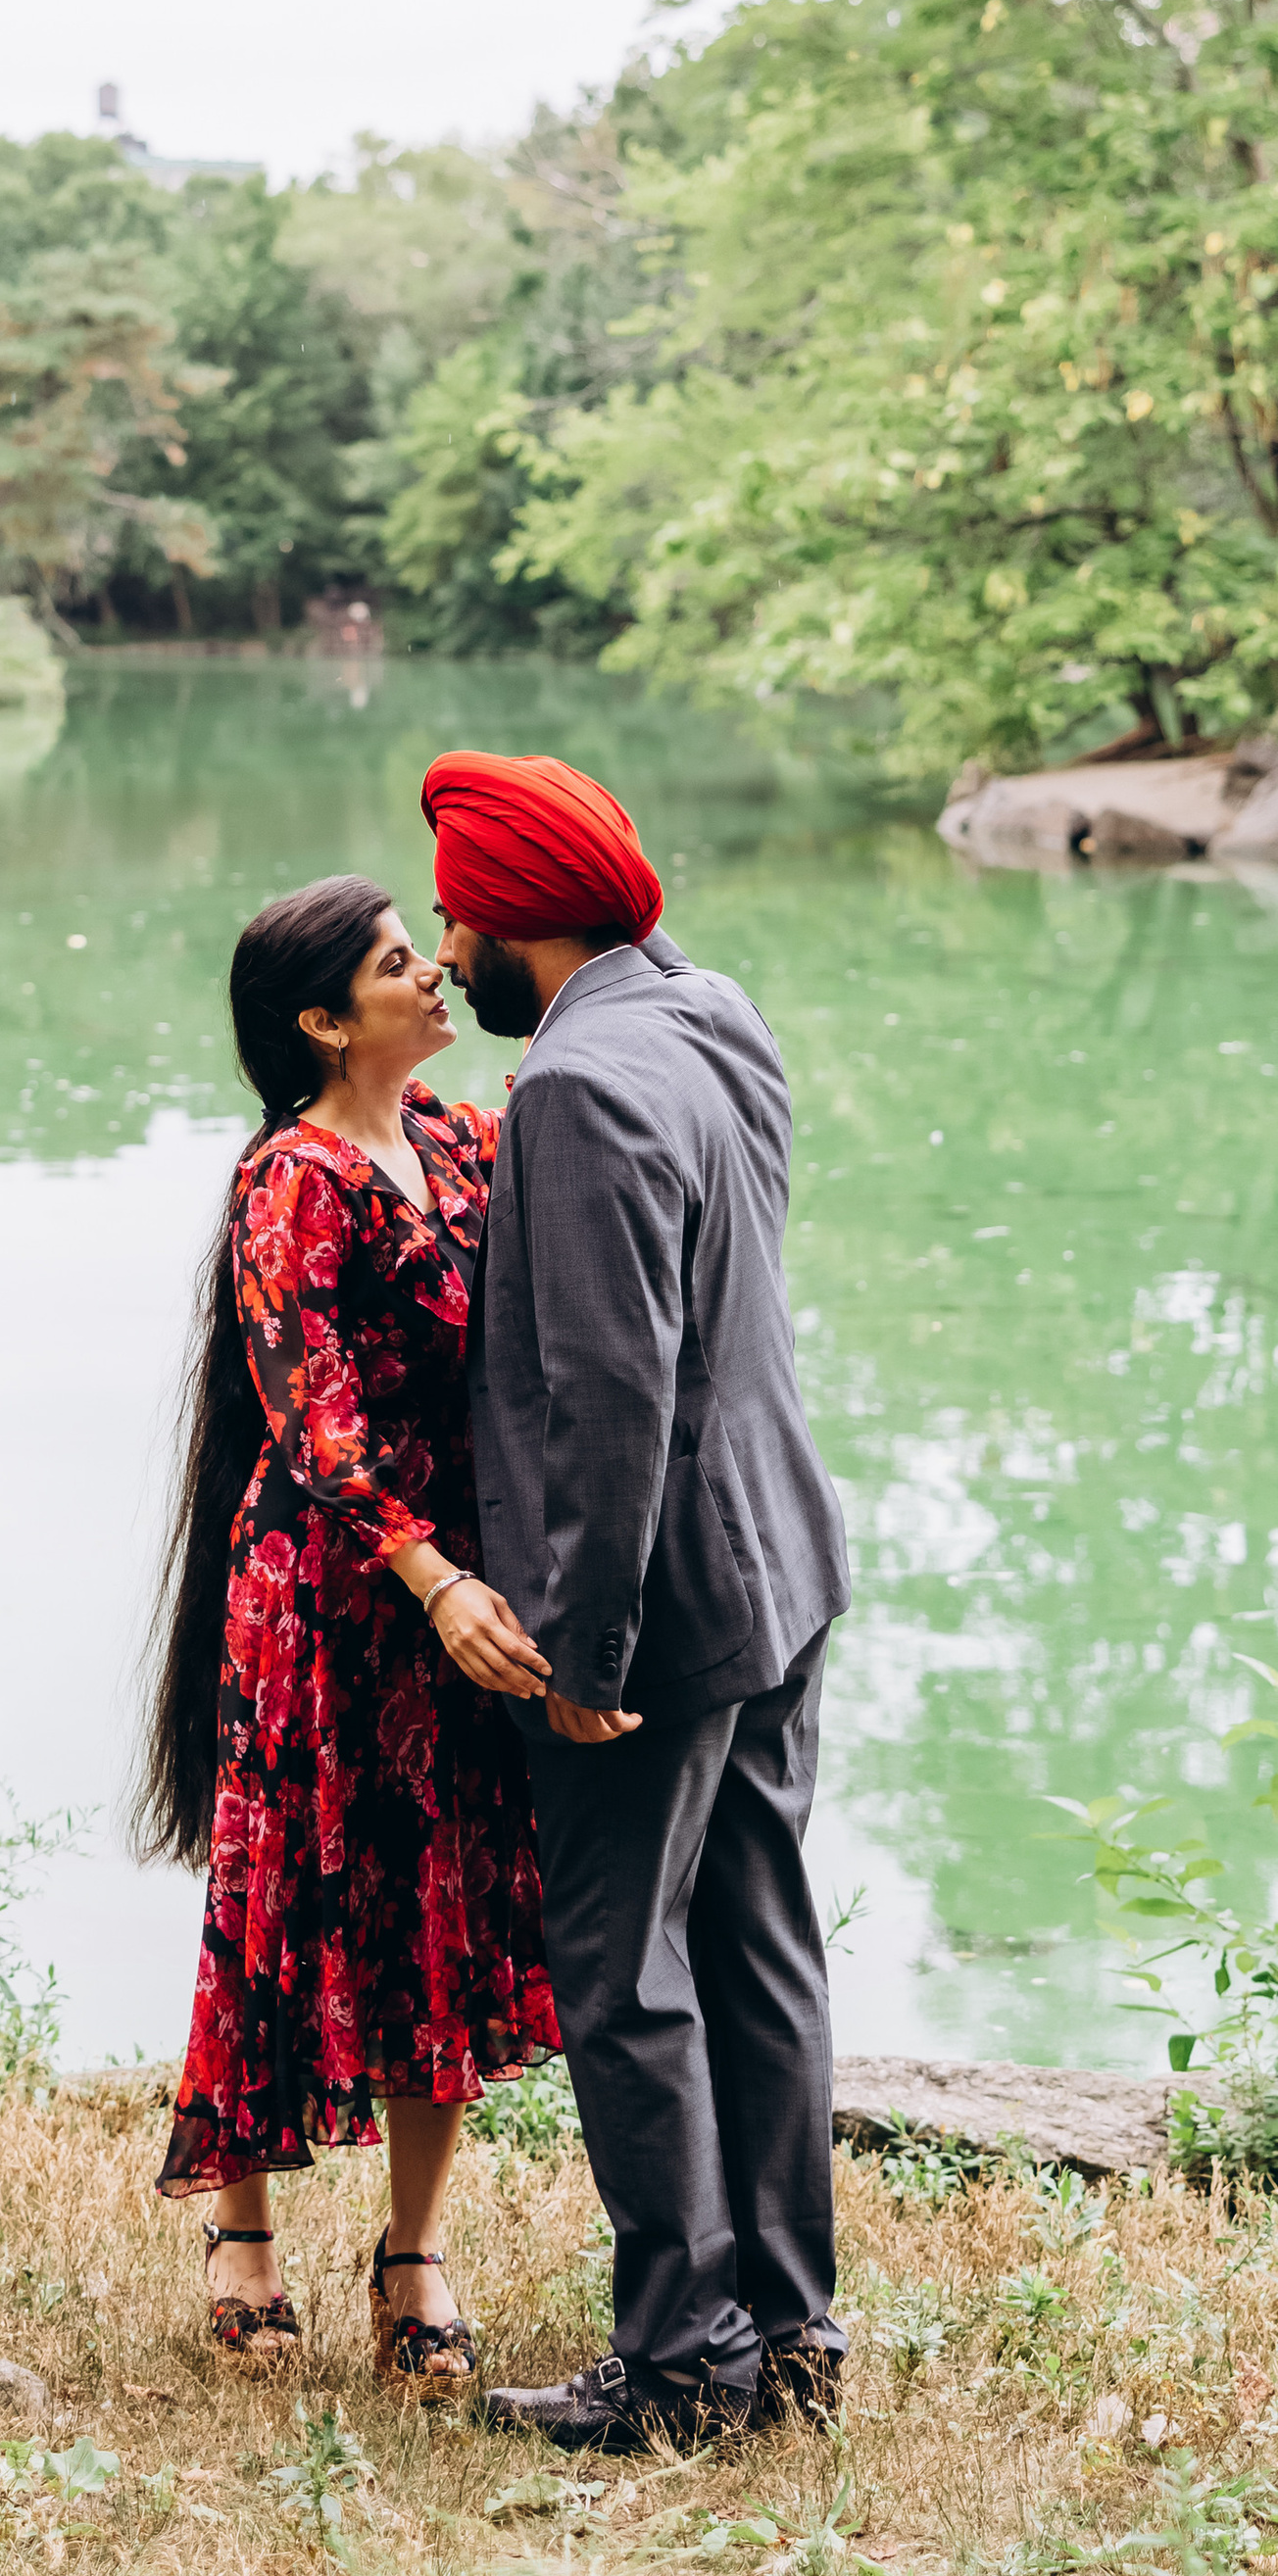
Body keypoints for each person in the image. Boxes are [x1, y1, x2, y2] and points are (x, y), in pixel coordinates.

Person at [418, 749, 852, 2451]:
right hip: (779, 1558)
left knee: (624, 1970)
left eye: (455, 911)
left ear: (521, 916)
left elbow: (609, 1389)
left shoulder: (578, 1089)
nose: (445, 947)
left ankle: (683, 2360)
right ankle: (790, 2328)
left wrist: (581, 1653)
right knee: (756, 1941)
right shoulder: (709, 1007)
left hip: (660, 1606)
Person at [135, 874, 562, 2391]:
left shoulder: (458, 1137)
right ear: (323, 1021)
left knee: (432, 1900)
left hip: (453, 1587)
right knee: (283, 1894)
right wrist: (435, 1578)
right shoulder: (292, 1180)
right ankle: (238, 2224)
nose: (435, 974)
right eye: (399, 965)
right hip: (335, 1590)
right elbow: (316, 1418)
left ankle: (413, 2246)